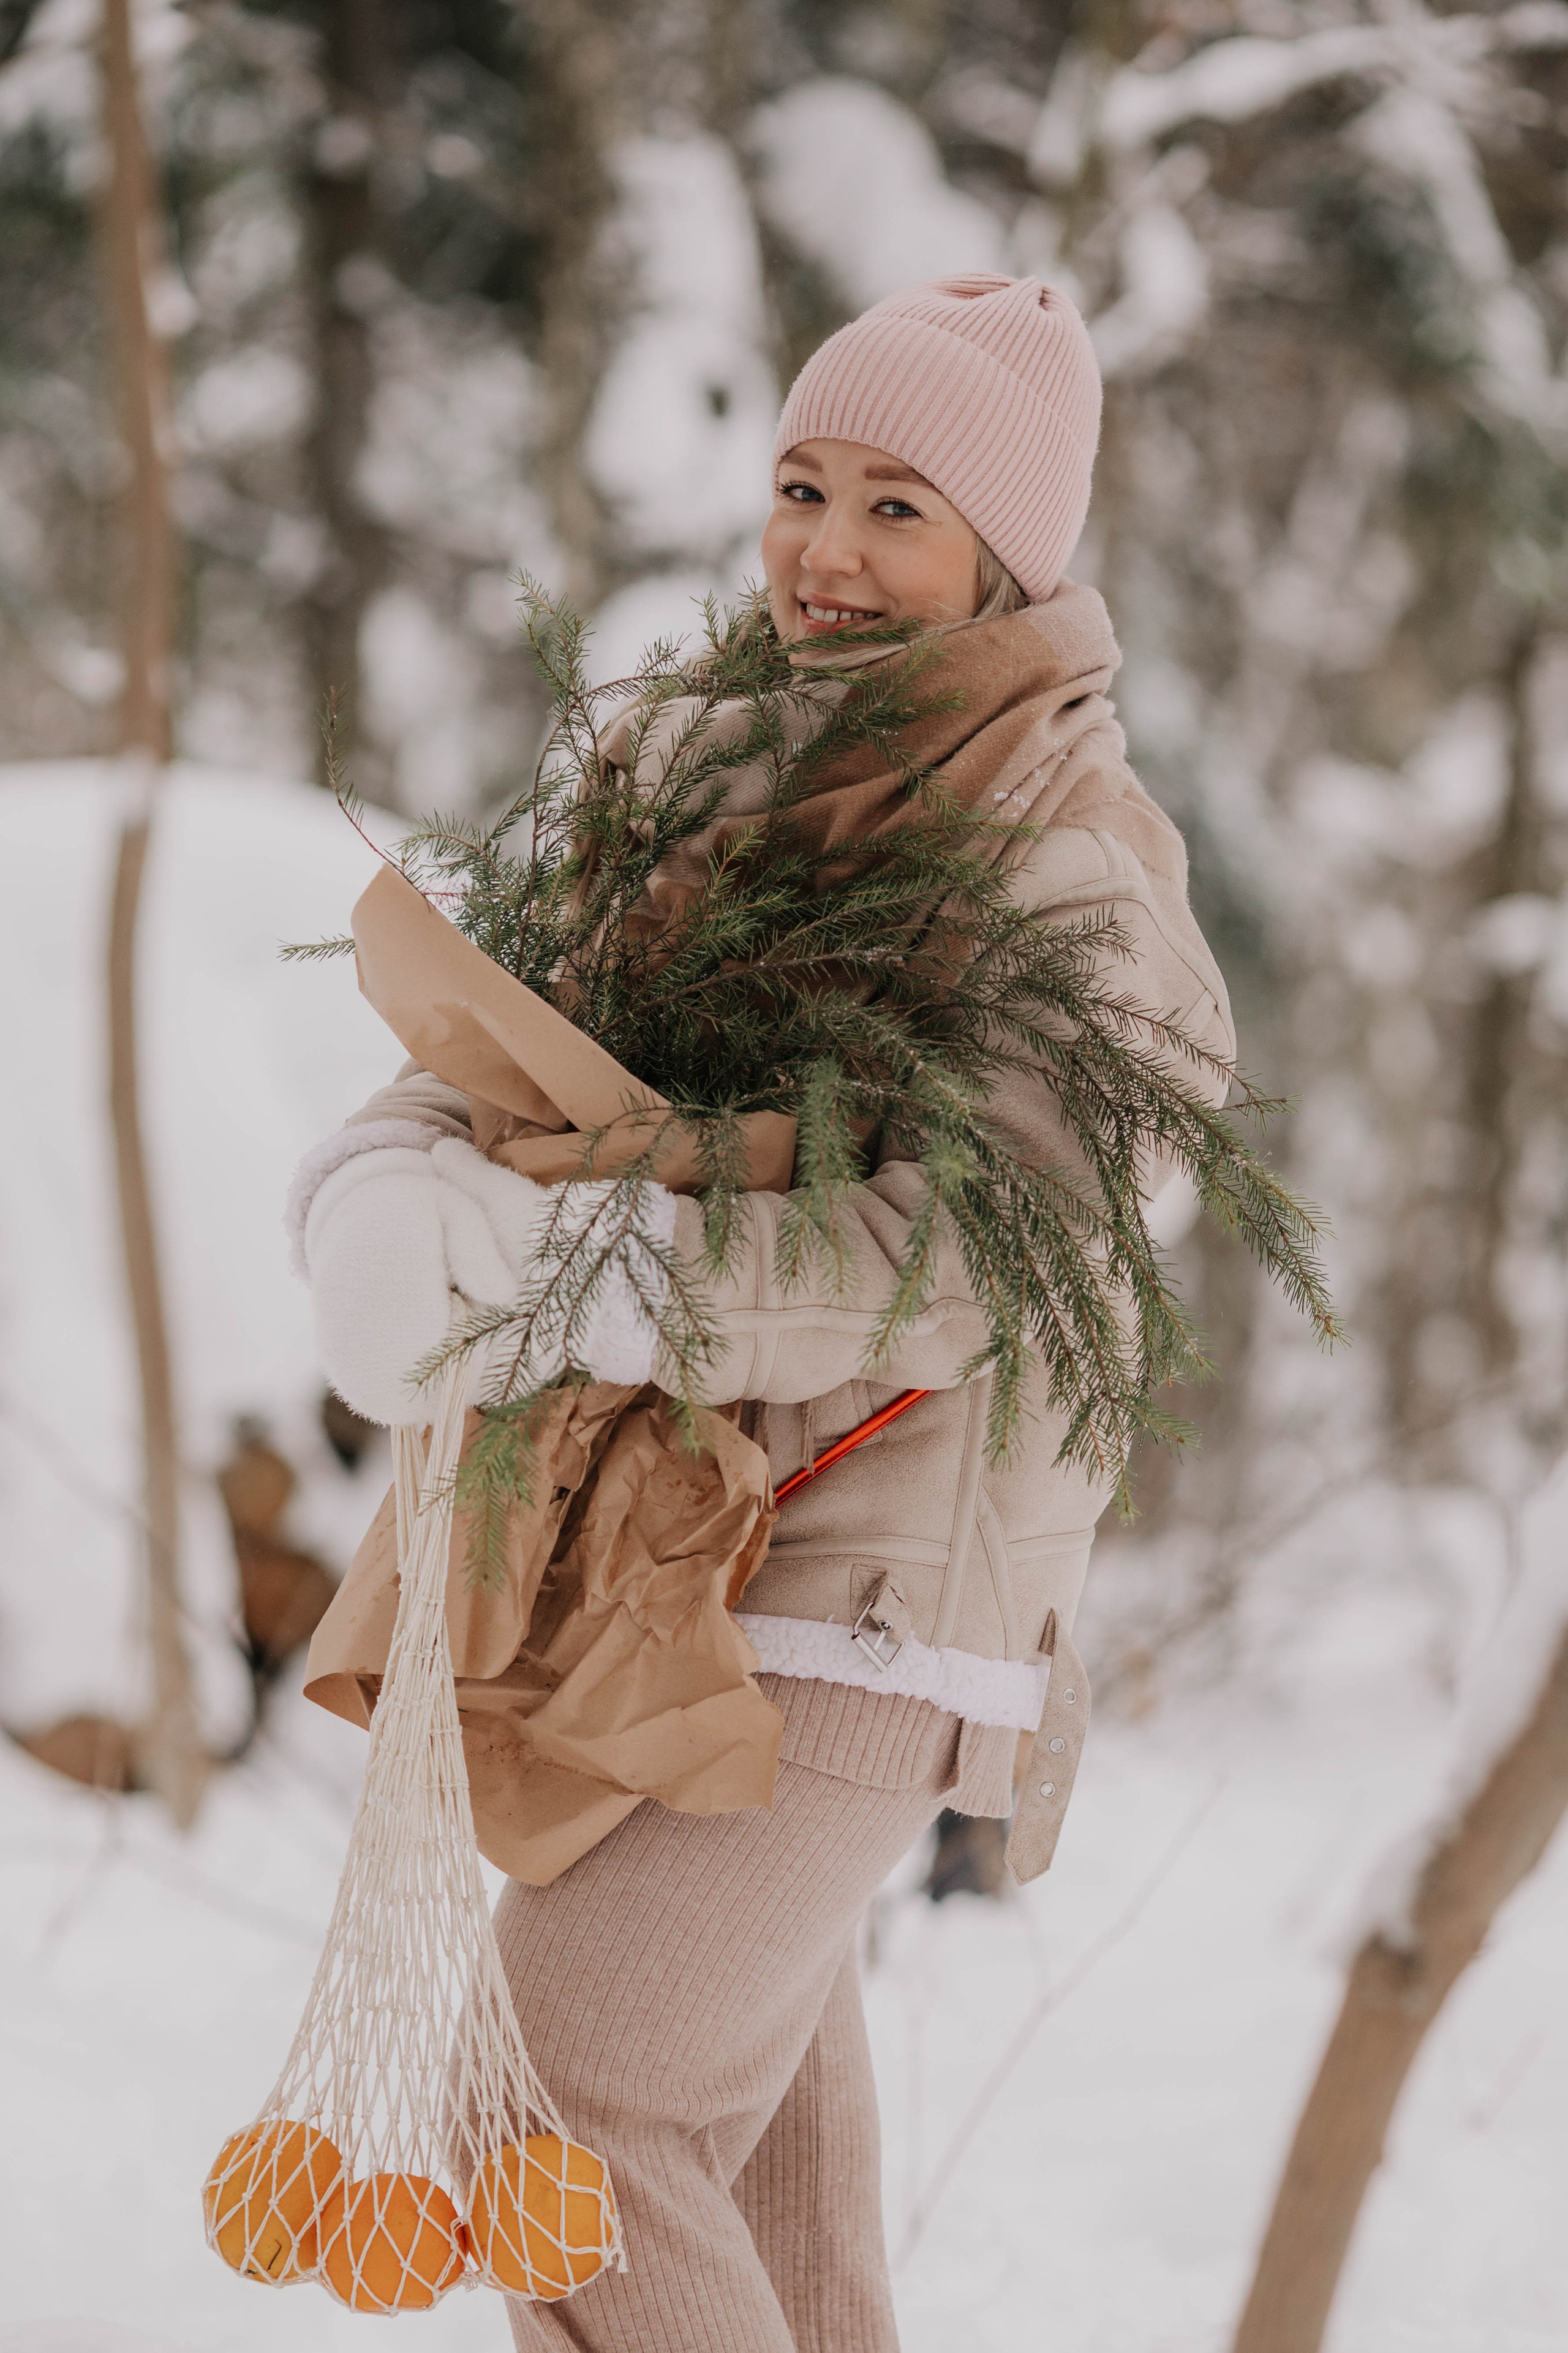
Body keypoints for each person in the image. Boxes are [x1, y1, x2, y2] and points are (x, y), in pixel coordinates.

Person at [292, 273, 1234, 2352]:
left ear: (1010, 549)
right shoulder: (688, 761)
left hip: (875, 1582)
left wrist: (612, 1282)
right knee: (773, 2220)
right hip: (666, 1559)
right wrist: (382, 1191)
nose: (826, 549)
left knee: (570, 2104)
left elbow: (990, 1250)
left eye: (900, 507)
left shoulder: (1066, 853)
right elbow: (496, 1045)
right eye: (804, 485)